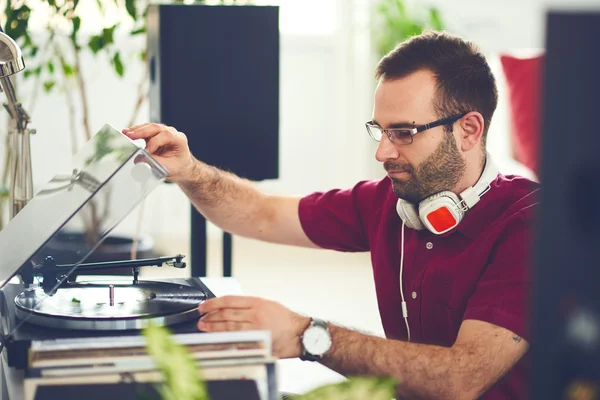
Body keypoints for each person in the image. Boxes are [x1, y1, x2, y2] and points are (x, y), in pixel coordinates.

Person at [123, 31, 539, 400]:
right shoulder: (389, 201)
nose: (382, 152)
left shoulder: (531, 224)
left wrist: (306, 336)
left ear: (468, 130)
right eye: (380, 130)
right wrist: (190, 171)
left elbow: (460, 381)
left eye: (404, 133)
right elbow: (259, 213)